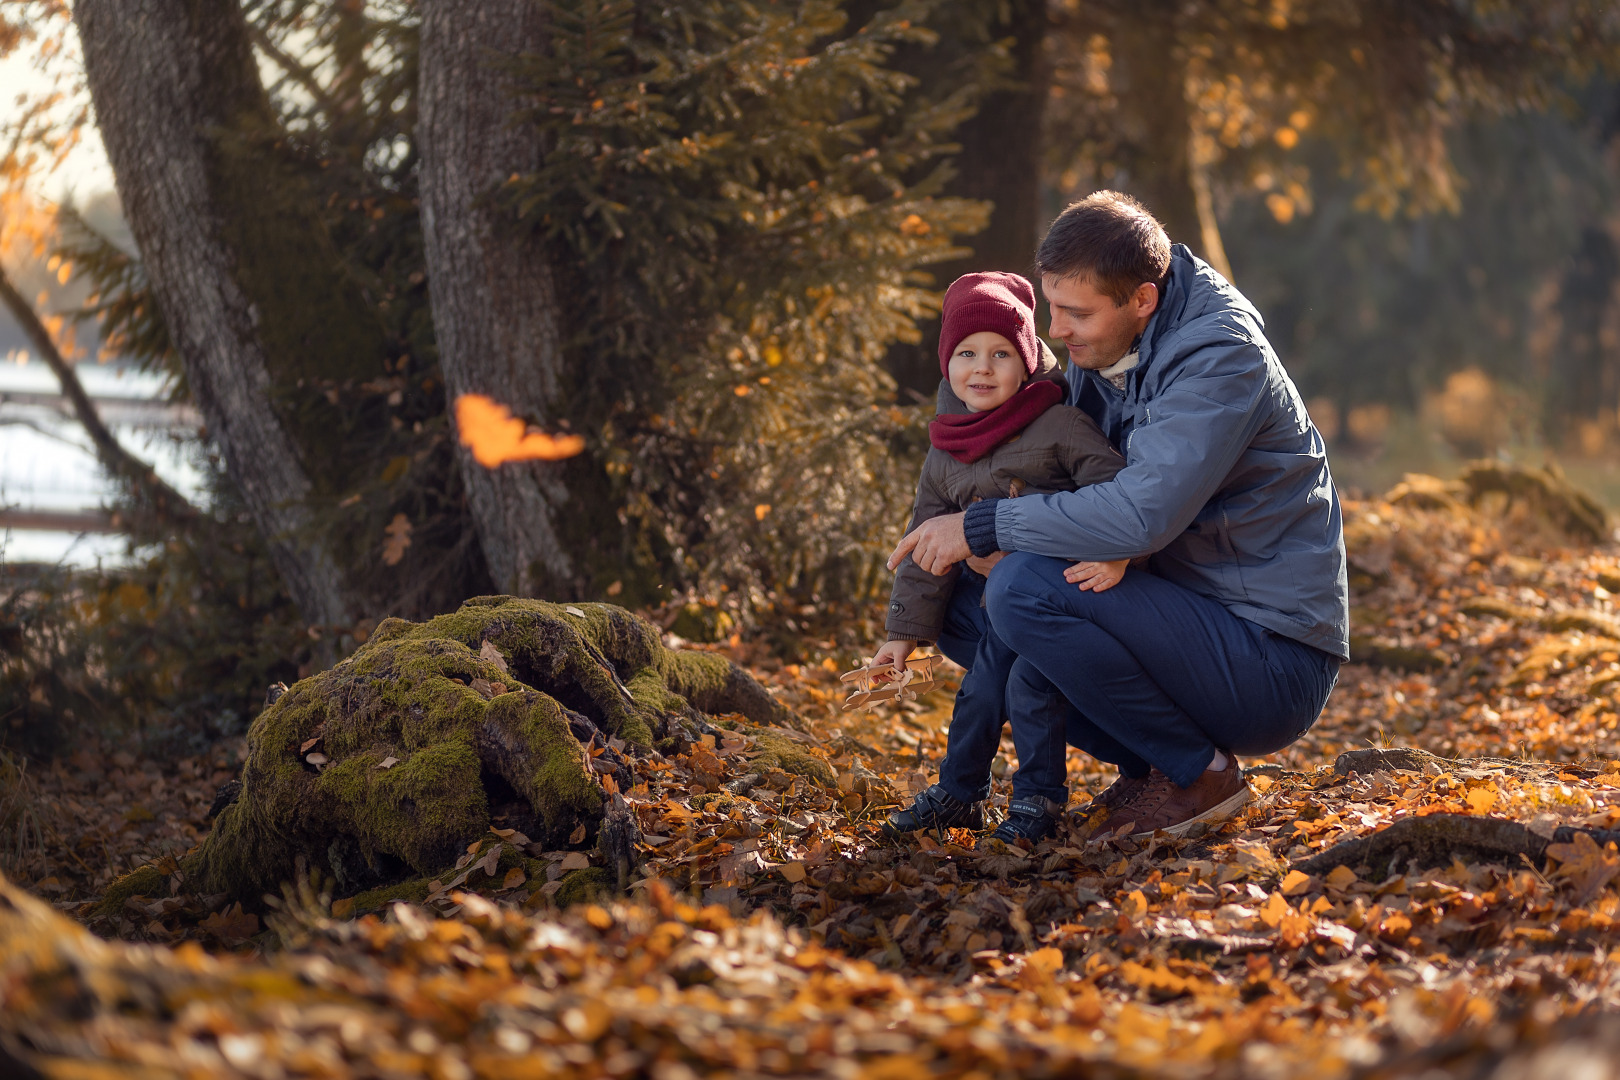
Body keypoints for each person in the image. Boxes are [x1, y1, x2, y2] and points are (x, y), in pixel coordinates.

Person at [889, 191, 1348, 840]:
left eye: (1076, 313)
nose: (1058, 330)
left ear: (1142, 300)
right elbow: (1009, 378)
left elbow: (1141, 516)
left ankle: (1201, 774)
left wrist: (983, 525)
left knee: (1019, 590)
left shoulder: (1219, 357)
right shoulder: (1106, 340)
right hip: (1174, 615)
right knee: (965, 606)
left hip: (1266, 657)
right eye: (1052, 308)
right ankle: (1150, 767)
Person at [870, 272, 1128, 843]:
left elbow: (1115, 492)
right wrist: (902, 633)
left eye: (1000, 354)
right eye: (966, 353)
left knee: (1032, 691)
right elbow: (924, 540)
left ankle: (1039, 801)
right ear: (948, 364)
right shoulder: (946, 447)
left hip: (1057, 597)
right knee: (980, 693)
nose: (981, 368)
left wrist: (1115, 553)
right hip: (996, 608)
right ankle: (958, 795)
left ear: (1028, 361)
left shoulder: (1059, 423)